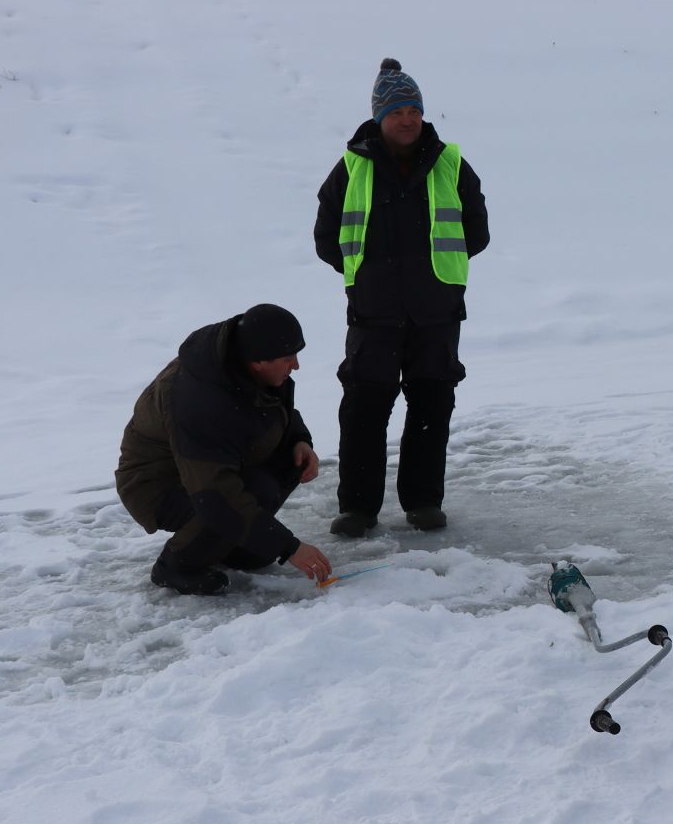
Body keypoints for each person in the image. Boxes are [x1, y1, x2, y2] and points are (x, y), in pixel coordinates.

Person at [315, 58, 490, 537]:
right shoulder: (351, 167)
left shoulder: (451, 163)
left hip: (436, 312)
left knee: (433, 405)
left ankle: (423, 501)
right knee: (365, 408)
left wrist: (436, 275)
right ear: (379, 117)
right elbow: (327, 236)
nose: (407, 119)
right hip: (373, 312)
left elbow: (477, 231)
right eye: (397, 111)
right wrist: (371, 274)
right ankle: (358, 508)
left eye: (413, 109)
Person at [115, 305, 332, 595]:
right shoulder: (198, 400)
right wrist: (288, 547)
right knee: (247, 494)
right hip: (158, 484)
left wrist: (299, 440)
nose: (296, 366)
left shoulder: (252, 367)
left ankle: (232, 546)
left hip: (213, 465)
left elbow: (276, 411)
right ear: (257, 361)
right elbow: (215, 492)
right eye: (288, 358)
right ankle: (176, 564)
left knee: (285, 465)